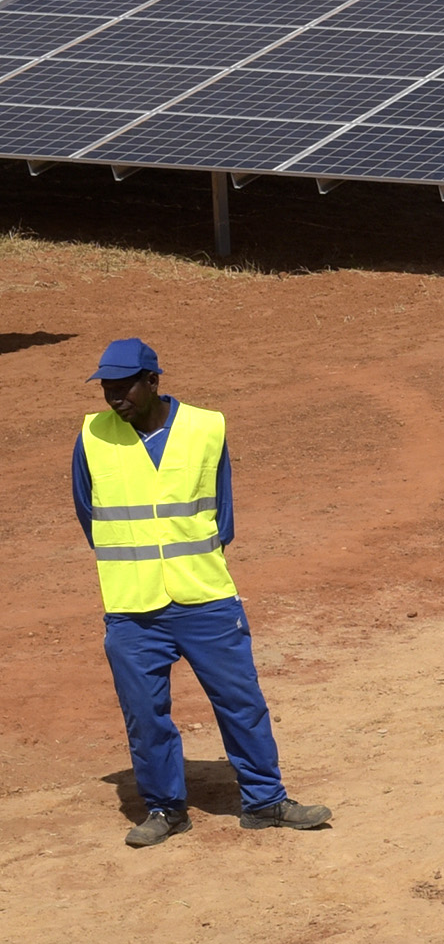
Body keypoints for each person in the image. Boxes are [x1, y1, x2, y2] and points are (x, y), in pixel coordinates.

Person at [71, 337, 332, 848]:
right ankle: (166, 810)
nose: (112, 395)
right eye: (105, 385)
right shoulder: (91, 436)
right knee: (145, 714)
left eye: (123, 384)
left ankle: (265, 801)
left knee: (241, 702)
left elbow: (222, 513)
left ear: (153, 381)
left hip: (206, 598)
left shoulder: (206, 427)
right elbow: (89, 514)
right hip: (131, 607)